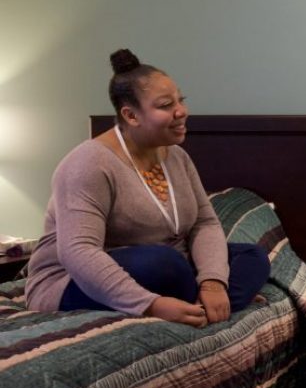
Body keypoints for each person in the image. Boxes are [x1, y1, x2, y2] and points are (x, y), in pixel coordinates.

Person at [25, 49, 270, 327]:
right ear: (131, 115)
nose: (182, 111)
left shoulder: (176, 156)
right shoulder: (88, 164)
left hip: (171, 265)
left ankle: (198, 304)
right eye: (166, 105)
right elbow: (78, 252)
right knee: (163, 265)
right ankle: (205, 304)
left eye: (181, 100)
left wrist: (213, 283)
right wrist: (150, 305)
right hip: (75, 280)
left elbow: (205, 223)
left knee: (253, 257)